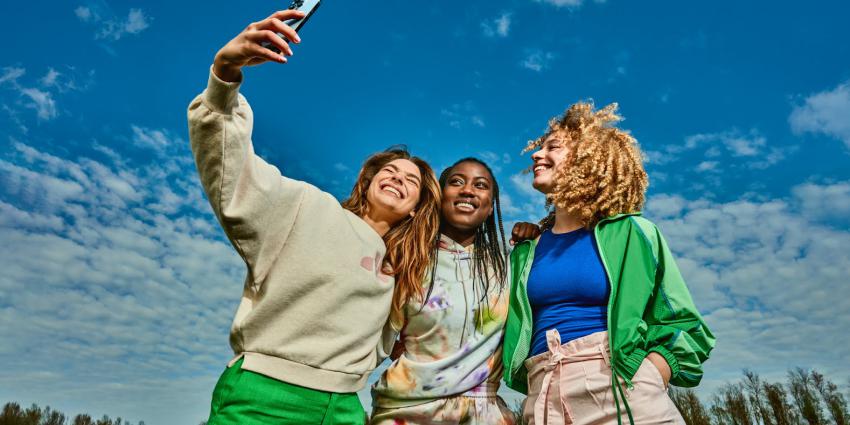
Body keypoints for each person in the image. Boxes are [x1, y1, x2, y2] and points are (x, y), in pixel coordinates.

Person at [187, 9, 441, 424]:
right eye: (388, 171)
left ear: (416, 207)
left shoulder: (402, 268)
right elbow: (233, 173)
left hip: (343, 408)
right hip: (265, 396)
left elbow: (385, 340)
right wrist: (224, 74)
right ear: (367, 182)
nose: (397, 178)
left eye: (410, 180)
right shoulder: (306, 208)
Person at [502, 102, 715, 425]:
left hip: (619, 387)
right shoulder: (527, 250)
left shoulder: (634, 233)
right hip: (543, 393)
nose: (536, 154)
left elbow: (683, 324)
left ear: (588, 159)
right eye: (539, 147)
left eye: (553, 147)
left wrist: (650, 373)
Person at [369, 158, 517, 425]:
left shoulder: (510, 265)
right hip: (404, 411)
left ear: (491, 204)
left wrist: (534, 233)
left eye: (480, 185)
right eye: (456, 182)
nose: (467, 190)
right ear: (439, 195)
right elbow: (375, 340)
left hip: (484, 413)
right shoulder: (407, 259)